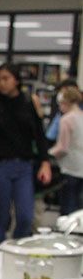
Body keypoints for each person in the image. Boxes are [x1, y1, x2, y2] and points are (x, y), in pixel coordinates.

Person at [0, 62, 51, 251]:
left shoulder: (27, 102)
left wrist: (45, 161)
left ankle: (17, 251)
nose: (2, 83)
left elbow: (39, 134)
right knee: (0, 218)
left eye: (6, 79)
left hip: (23, 165)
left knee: (25, 216)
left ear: (16, 80)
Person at [49, 86, 83, 215]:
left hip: (70, 169)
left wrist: (46, 155)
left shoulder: (66, 120)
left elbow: (62, 147)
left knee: (68, 210)